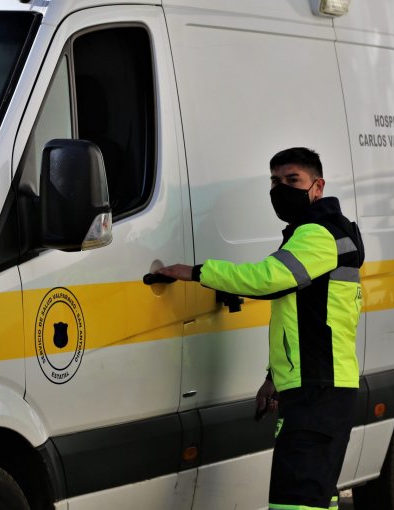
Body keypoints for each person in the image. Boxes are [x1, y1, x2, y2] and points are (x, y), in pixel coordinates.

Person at [156, 147, 364, 510]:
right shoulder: (315, 231)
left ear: (318, 186)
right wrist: (274, 378)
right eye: (275, 181)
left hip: (318, 389)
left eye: (292, 180)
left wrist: (197, 272)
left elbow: (268, 279)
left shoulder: (318, 233)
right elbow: (302, 317)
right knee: (315, 498)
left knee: (296, 501)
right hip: (318, 385)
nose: (280, 188)